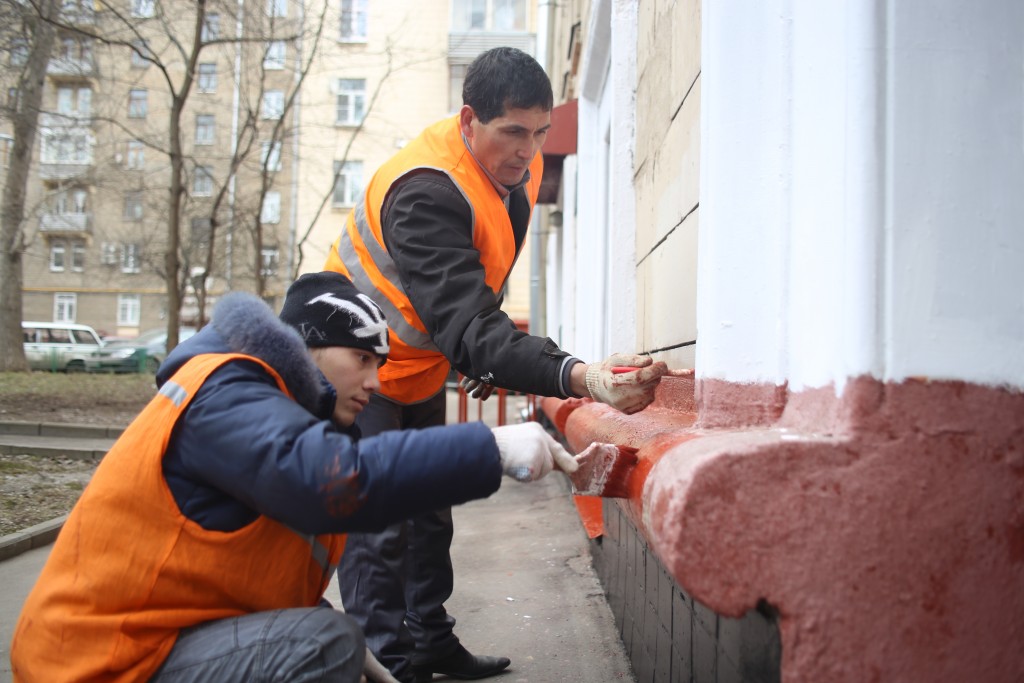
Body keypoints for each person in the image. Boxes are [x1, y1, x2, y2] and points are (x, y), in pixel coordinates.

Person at [9, 271, 576, 683]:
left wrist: (365, 669)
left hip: (138, 651)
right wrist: (489, 445)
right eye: (364, 360)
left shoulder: (279, 413)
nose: (376, 383)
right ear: (310, 348)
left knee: (329, 641)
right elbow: (331, 484)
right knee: (326, 643)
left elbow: (266, 599)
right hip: (92, 665)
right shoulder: (226, 388)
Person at [324, 46, 674, 682]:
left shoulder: (518, 172)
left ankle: (429, 641)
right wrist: (583, 377)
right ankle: (393, 667)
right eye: (512, 132)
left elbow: (475, 287)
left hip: (418, 368)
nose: (527, 150)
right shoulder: (424, 190)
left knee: (430, 513)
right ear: (468, 122)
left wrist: (477, 351)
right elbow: (466, 319)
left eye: (539, 133)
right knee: (377, 530)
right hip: (356, 373)